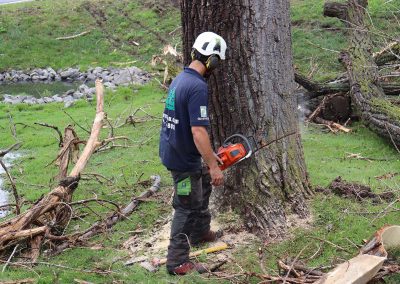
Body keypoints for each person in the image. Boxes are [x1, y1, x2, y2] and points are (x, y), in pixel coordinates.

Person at [159, 31, 227, 275]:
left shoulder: (181, 79)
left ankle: (199, 232)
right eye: (217, 62)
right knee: (186, 206)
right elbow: (198, 132)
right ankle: (176, 261)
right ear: (212, 60)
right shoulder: (197, 86)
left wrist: (207, 161)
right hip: (182, 157)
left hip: (176, 149)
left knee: (203, 186)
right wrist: (213, 164)